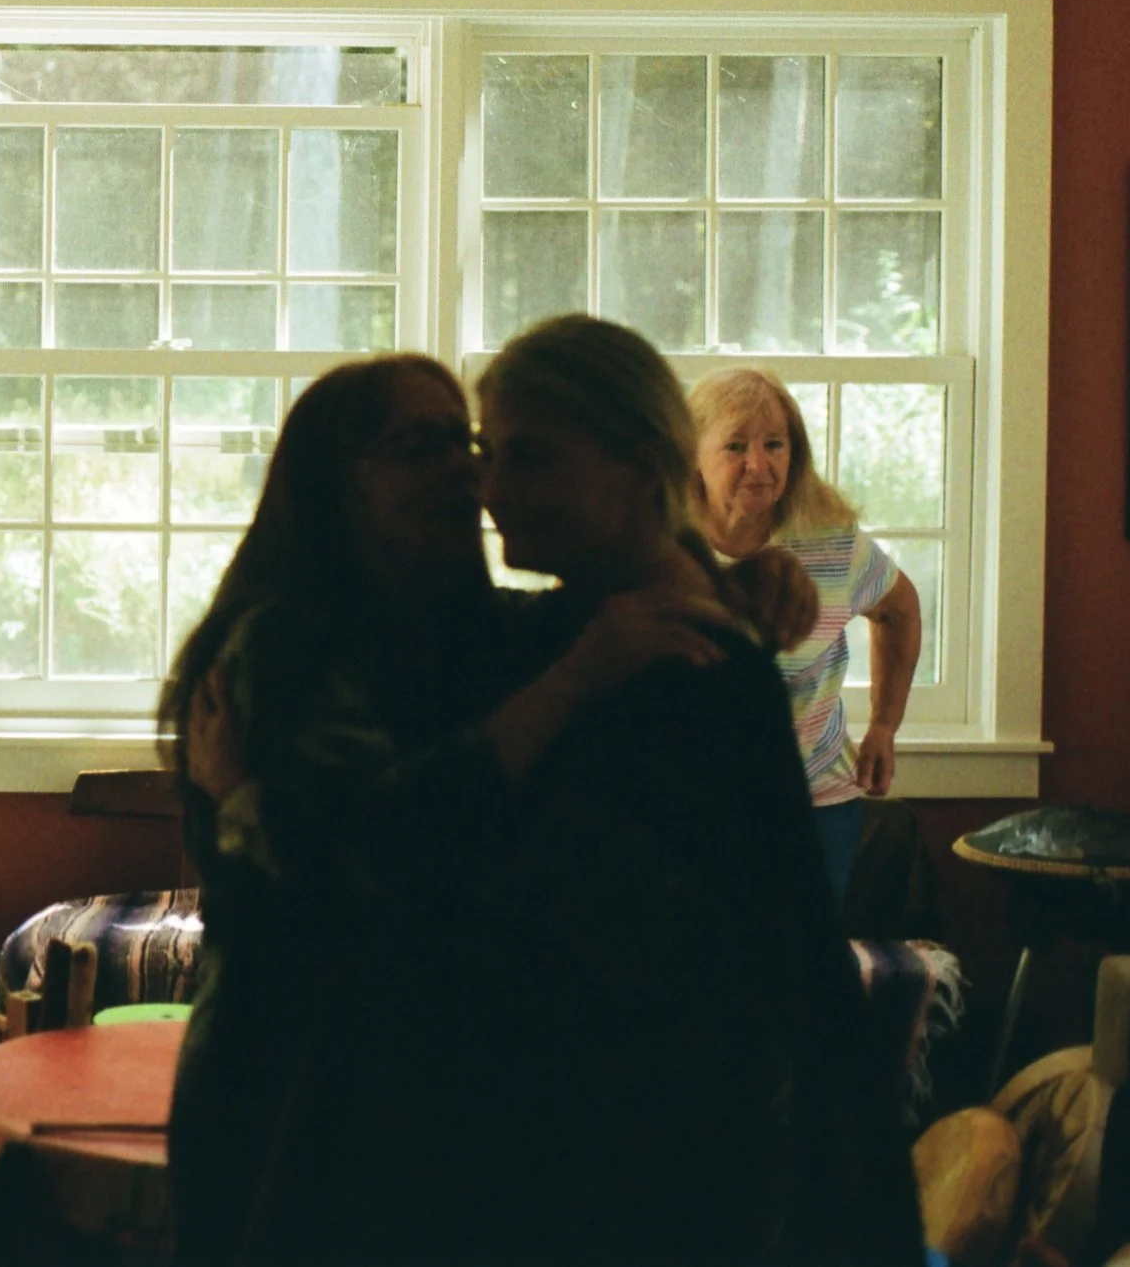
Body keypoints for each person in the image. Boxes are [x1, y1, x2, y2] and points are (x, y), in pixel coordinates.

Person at [163, 356, 757, 1265]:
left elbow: (639, 592)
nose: (462, 471)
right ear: (334, 483)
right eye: (416, 446)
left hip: (411, 1108)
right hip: (296, 1088)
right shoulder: (283, 644)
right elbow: (383, 854)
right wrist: (572, 681)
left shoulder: (462, 630)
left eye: (465, 443)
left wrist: (758, 582)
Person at [467, 316, 921, 1263]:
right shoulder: (603, 627)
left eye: (532, 456)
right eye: (487, 454)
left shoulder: (672, 660)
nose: (493, 488)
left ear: (639, 468)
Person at [690, 368, 926, 902]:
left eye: (774, 444)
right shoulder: (663, 550)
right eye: (735, 446)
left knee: (798, 971)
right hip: (692, 807)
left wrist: (885, 725)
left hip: (814, 804)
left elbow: (900, 610)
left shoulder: (832, 544)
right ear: (692, 455)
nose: (758, 464)